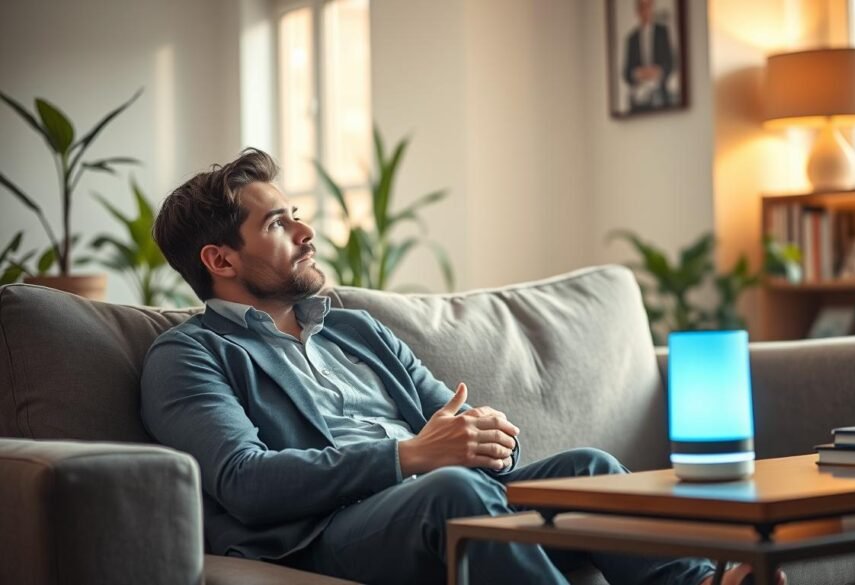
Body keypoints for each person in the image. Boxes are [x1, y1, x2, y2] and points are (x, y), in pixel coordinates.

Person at [141, 148, 783, 585]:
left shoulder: (354, 328)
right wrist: (410, 458)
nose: (307, 233)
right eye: (280, 224)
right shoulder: (190, 355)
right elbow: (245, 482)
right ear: (220, 261)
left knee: (589, 470)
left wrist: (486, 435)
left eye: (298, 216)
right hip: (323, 533)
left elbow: (450, 419)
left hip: (435, 491)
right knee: (457, 492)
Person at [622, 0, 675, 112]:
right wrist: (638, 73)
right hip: (639, 96)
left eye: (648, 7)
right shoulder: (632, 39)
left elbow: (671, 63)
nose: (645, 11)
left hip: (660, 93)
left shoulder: (663, 33)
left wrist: (657, 71)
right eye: (642, 7)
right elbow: (626, 72)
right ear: (637, 11)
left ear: (652, 8)